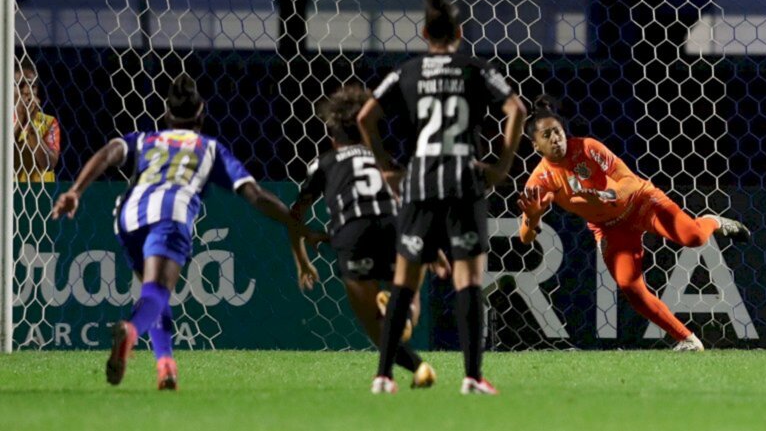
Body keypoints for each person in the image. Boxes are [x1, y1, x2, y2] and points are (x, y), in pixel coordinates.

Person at [51, 74, 321, 390]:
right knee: (157, 292)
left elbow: (110, 151)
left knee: (153, 293)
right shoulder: (209, 148)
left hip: (129, 215)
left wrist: (76, 191)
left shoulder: (146, 139)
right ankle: (130, 330)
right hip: (171, 214)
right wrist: (296, 224)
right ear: (202, 114)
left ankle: (166, 368)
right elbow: (256, 195)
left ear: (166, 115)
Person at [358, 0, 526, 395]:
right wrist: (502, 165)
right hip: (462, 179)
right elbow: (516, 109)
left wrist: (386, 167)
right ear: (460, 33)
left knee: (404, 282)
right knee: (468, 280)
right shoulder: (475, 67)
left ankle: (383, 376)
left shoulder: (407, 71)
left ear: (424, 33)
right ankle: (472, 376)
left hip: (419, 179)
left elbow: (366, 116)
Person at [517, 96, 750, 351]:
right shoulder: (539, 181)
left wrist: (607, 195)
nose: (555, 139)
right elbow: (525, 237)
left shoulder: (587, 147)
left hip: (640, 202)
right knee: (630, 286)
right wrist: (534, 217)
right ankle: (688, 340)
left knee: (694, 238)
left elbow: (626, 179)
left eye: (558, 132)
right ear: (535, 145)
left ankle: (711, 221)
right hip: (610, 228)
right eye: (547, 135)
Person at [291, 84, 450, 389]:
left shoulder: (325, 163)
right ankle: (410, 362)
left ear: (332, 136)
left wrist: (302, 260)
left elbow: (293, 215)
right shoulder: (384, 159)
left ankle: (387, 378)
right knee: (405, 302)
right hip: (396, 226)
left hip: (353, 232)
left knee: (373, 324)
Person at [15, 60, 60, 182]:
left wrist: (31, 126)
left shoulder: (48, 122)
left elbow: (49, 164)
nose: (27, 91)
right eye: (20, 85)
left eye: (32, 86)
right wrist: (20, 121)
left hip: (39, 196)